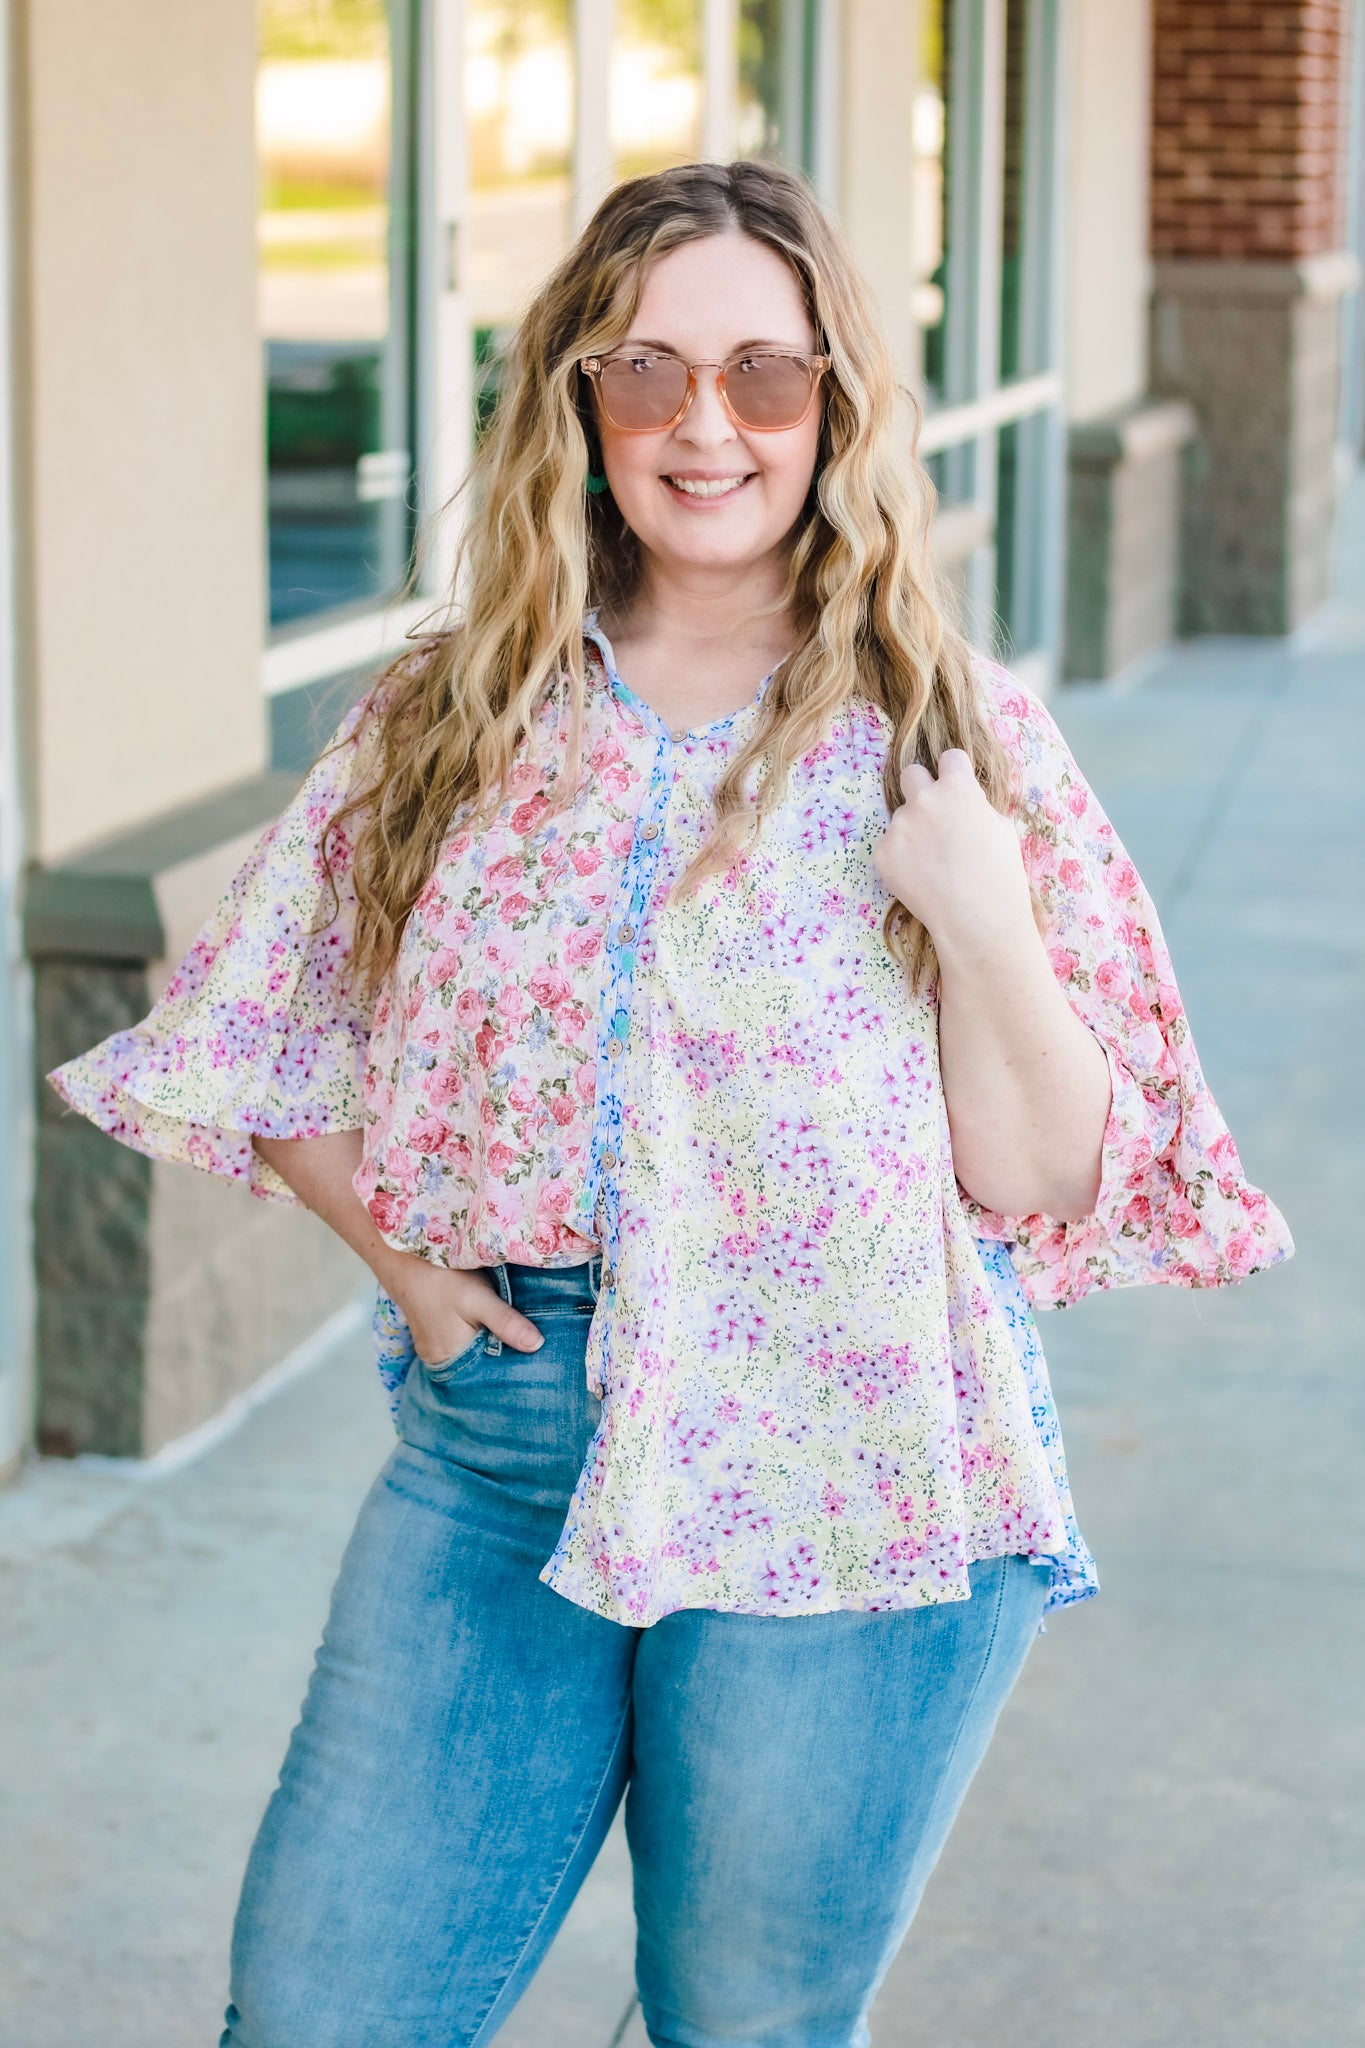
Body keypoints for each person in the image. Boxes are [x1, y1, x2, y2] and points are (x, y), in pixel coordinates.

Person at [50, 160, 1293, 2048]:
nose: (706, 426)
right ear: (578, 399)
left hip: (851, 1450)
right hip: (509, 1445)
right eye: (645, 371)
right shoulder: (454, 711)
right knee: (319, 2015)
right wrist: (406, 1271)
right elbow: (258, 1027)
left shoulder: (948, 725)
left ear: (835, 404)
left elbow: (1049, 1169)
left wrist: (978, 915)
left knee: (741, 2026)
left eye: (762, 375)